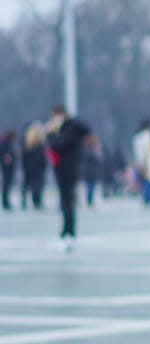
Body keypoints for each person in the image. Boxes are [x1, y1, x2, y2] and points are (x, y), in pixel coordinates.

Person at [45, 105, 92, 250]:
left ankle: (68, 233)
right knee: (66, 201)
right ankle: (67, 232)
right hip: (67, 169)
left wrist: (51, 134)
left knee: (67, 202)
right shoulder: (72, 128)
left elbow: (58, 145)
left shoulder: (68, 130)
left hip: (67, 169)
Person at [20, 122, 48, 210]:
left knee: (27, 184)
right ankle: (36, 201)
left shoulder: (26, 144)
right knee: (37, 185)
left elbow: (24, 158)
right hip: (37, 168)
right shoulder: (40, 145)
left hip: (28, 167)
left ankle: (25, 201)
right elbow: (43, 158)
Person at [131, 119, 150, 194]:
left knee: (142, 180)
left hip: (139, 161)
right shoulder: (148, 136)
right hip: (147, 161)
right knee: (148, 180)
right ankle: (149, 197)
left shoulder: (137, 137)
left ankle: (145, 196)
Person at [81, 134, 105, 207]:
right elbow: (97, 159)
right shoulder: (89, 149)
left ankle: (90, 201)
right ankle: (89, 201)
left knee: (91, 187)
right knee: (90, 186)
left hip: (90, 171)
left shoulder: (89, 149)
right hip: (90, 171)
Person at [0, 130, 15, 211]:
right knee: (6, 185)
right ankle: (5, 203)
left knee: (7, 185)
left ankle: (6, 202)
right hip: (6, 168)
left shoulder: (8, 143)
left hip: (9, 168)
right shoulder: (4, 143)